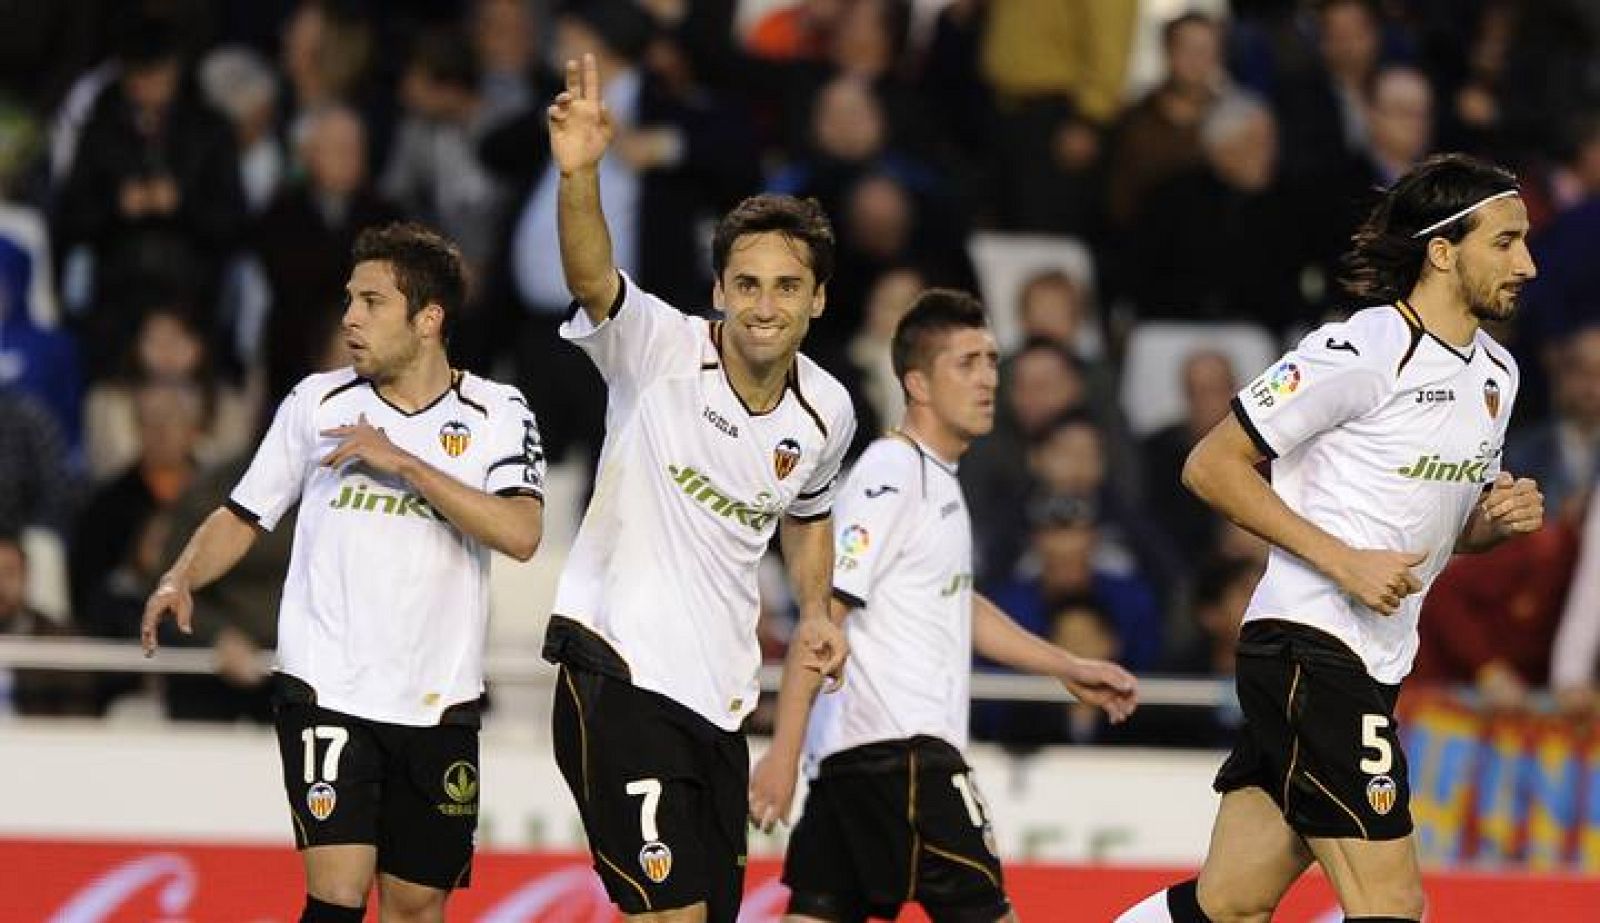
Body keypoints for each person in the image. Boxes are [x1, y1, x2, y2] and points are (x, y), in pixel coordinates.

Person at [1115, 152, 1545, 923]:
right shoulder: (1364, 348)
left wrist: (1489, 524)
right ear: (1442, 252)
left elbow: (1422, 533)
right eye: (1506, 241)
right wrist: (1341, 560)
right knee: (1392, 903)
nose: (1528, 263)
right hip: (1310, 647)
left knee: (1231, 903)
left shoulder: (1499, 375)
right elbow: (1210, 465)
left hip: (1369, 660)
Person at [140, 222, 546, 923]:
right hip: (327, 685)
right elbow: (243, 513)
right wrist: (181, 574)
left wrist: (408, 465)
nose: (349, 318)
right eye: (348, 300)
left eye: (371, 301)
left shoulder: (496, 412)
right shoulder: (317, 402)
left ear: (429, 319)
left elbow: (521, 532)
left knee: (417, 905)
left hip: (437, 695)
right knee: (336, 891)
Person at [540, 54, 856, 923]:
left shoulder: (827, 409)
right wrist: (582, 175)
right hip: (616, 672)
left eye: (787, 286)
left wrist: (819, 607)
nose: (764, 304)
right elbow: (591, 276)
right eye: (747, 283)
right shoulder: (658, 348)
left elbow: (809, 512)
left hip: (719, 700)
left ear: (818, 301)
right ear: (718, 289)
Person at [748, 289, 1138, 922]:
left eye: (990, 359)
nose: (988, 378)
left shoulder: (936, 481)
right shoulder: (893, 473)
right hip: (905, 759)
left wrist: (1065, 665)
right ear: (917, 383)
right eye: (966, 363)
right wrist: (783, 756)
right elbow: (823, 620)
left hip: (862, 760)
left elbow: (959, 607)